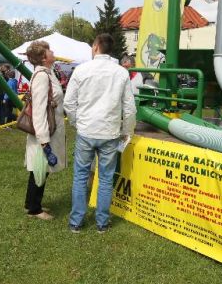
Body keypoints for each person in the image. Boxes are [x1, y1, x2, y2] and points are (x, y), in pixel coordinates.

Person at [64, 33, 136, 233]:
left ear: (95, 47)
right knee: (105, 178)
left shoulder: (81, 70)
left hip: (87, 131)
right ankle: (102, 223)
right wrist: (126, 131)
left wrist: (76, 123)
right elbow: (129, 108)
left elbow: (69, 103)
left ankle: (76, 222)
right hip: (110, 133)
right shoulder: (121, 72)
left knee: (80, 176)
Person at [22, 41, 66, 220]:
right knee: (40, 167)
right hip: (45, 130)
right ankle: (34, 209)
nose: (52, 51)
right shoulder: (41, 76)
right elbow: (39, 109)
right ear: (43, 57)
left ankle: (31, 203)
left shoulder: (47, 73)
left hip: (49, 128)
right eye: (49, 50)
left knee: (40, 168)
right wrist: (44, 139)